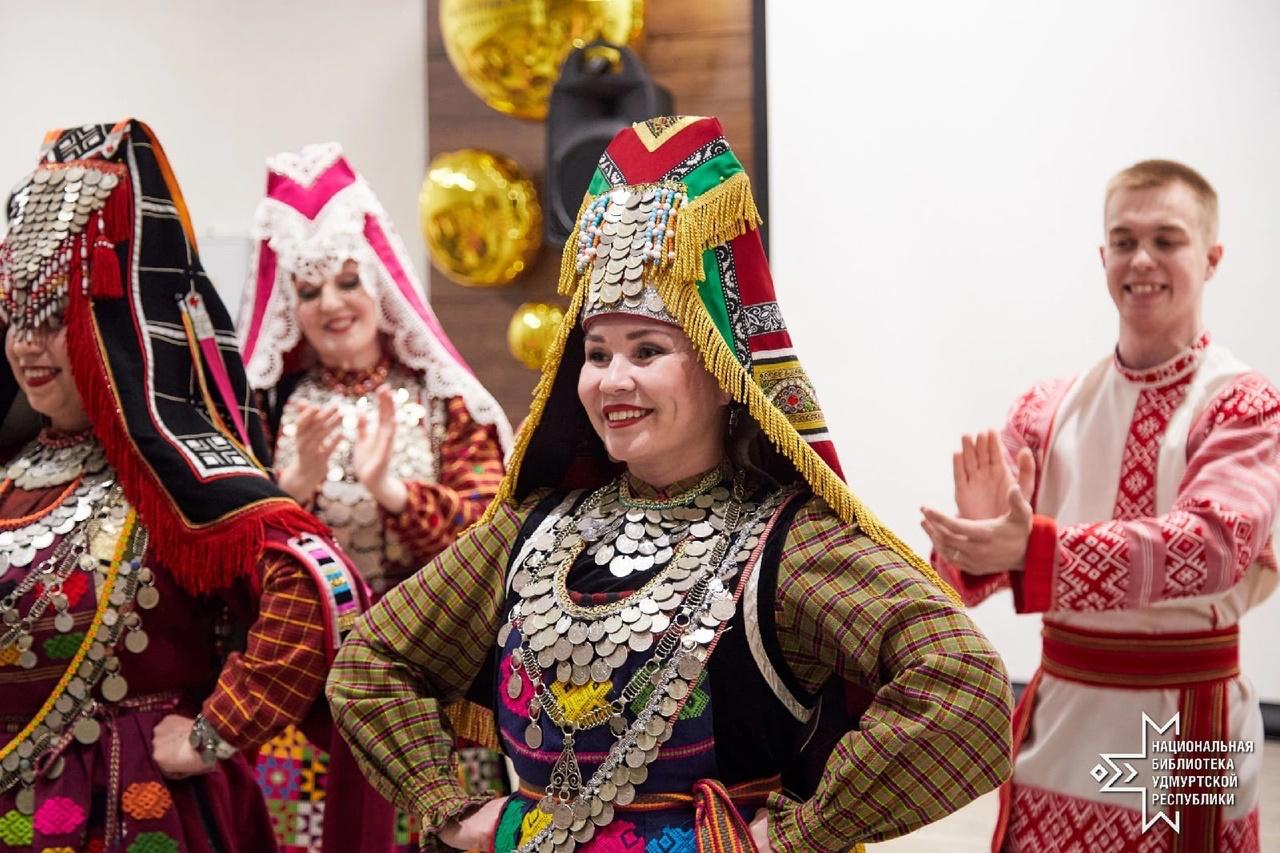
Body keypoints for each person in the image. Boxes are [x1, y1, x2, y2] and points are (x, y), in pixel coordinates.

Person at [328, 115, 1013, 853]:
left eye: (648, 351)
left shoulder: (791, 546)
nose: (613, 380)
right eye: (597, 354)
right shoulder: (531, 531)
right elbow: (368, 665)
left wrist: (799, 833)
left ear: (722, 371)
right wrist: (453, 807)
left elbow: (966, 687)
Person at [0, 120, 367, 851]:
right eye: (17, 319)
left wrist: (214, 731)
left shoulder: (181, 476)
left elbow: (321, 586)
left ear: (114, 327)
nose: (27, 346)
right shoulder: (11, 476)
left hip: (135, 807)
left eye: (56, 320)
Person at [921, 160, 1279, 851]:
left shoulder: (1243, 403)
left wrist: (1032, 548)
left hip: (1192, 726)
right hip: (1064, 720)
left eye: (1166, 240)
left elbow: (1213, 547)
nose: (1141, 259)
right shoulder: (1046, 407)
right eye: (1123, 241)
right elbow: (966, 574)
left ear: (1212, 258)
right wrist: (972, 541)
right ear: (1102, 256)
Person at [239, 143, 513, 849]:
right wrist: (289, 492)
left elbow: (489, 545)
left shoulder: (445, 399)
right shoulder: (265, 412)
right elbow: (227, 568)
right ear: (289, 308)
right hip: (302, 702)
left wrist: (393, 492)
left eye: (347, 281)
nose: (330, 304)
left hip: (432, 699)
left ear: (381, 286)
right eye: (308, 291)